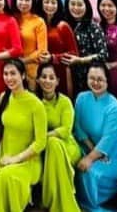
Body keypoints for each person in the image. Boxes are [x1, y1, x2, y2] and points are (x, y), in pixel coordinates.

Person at [0, 59, 46, 212]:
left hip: (28, 161)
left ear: (23, 75)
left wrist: (15, 159)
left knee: (8, 176)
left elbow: (40, 142)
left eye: (13, 73)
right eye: (6, 74)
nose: (9, 78)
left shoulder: (36, 104)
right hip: (5, 157)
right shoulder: (3, 97)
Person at [73, 62, 117, 212]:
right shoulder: (81, 98)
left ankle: (96, 203)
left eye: (100, 79)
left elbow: (108, 140)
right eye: (92, 78)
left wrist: (91, 158)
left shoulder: (114, 107)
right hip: (91, 148)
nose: (95, 83)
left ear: (107, 81)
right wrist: (92, 152)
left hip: (116, 155)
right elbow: (79, 128)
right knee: (75, 165)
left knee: (91, 172)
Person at [34, 63, 82, 212]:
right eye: (44, 77)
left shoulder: (65, 102)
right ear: (37, 80)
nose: (47, 81)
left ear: (57, 81)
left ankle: (53, 202)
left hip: (67, 146)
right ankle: (56, 201)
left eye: (51, 77)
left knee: (54, 144)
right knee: (52, 145)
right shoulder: (34, 103)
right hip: (41, 149)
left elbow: (66, 130)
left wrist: (44, 137)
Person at [62, 0, 108, 95]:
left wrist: (80, 60)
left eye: (80, 5)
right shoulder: (64, 25)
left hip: (89, 78)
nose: (76, 8)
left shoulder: (93, 27)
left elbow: (103, 55)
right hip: (67, 75)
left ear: (86, 6)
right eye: (72, 4)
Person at [14, 0, 48, 87]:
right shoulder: (12, 19)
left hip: (32, 71)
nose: (23, 3)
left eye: (27, 0)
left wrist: (23, 61)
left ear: (33, 1)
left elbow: (42, 51)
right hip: (12, 69)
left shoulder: (39, 21)